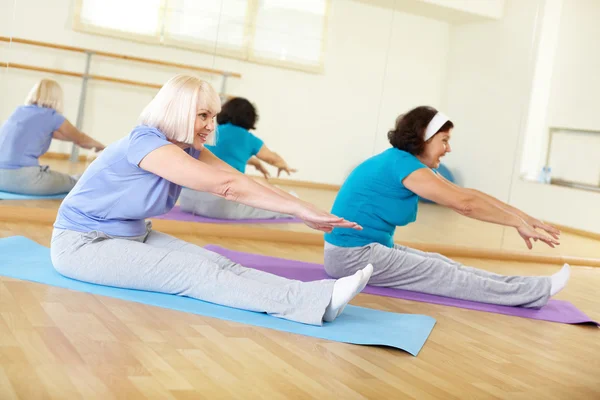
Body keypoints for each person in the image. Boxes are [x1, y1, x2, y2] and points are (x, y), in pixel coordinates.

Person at [50, 74, 372, 325]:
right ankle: (315, 304)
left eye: (213, 116)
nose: (211, 125)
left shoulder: (188, 147)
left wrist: (301, 207)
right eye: (203, 115)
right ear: (177, 112)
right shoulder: (145, 142)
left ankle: (321, 297)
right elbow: (227, 186)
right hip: (82, 243)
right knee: (196, 274)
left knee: (219, 263)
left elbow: (241, 180)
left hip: (132, 235)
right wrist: (298, 208)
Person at [323, 105, 569, 309]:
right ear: (424, 138)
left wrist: (525, 218)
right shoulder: (403, 165)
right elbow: (465, 205)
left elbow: (466, 194)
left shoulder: (402, 161)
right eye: (444, 140)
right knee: (441, 272)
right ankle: (534, 294)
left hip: (361, 251)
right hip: (352, 257)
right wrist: (517, 223)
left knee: (442, 263)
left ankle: (531, 287)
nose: (448, 148)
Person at [179, 97, 297, 220]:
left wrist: (253, 162)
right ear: (250, 119)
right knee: (263, 201)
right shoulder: (248, 138)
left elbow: (218, 155)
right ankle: (292, 203)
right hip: (219, 206)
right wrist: (283, 164)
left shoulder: (210, 131)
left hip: (187, 200)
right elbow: (272, 158)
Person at [0, 79, 105, 195]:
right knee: (73, 181)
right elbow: (81, 139)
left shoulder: (19, 111)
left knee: (59, 178)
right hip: (25, 179)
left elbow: (60, 135)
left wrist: (78, 140)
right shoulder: (52, 116)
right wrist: (103, 147)